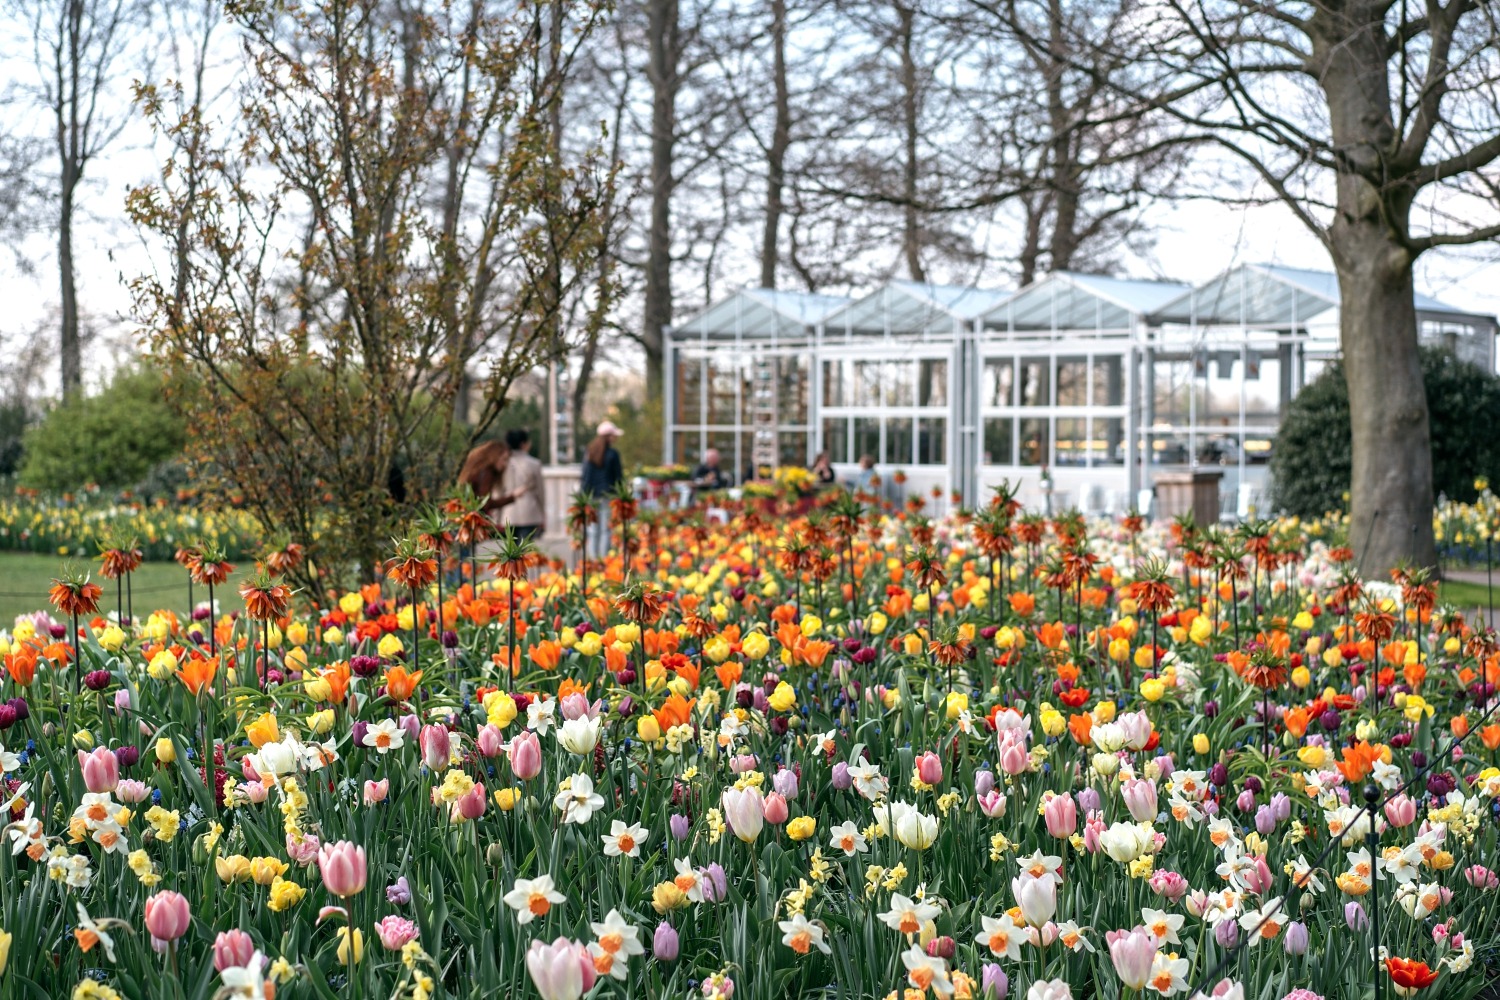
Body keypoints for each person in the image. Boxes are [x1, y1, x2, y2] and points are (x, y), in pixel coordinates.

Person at [580, 421, 624, 557]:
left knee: (593, 529)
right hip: (608, 496)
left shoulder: (590, 452)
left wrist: (583, 496)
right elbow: (618, 478)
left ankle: (593, 559)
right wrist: (621, 496)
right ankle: (604, 559)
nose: (615, 438)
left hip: (592, 496)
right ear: (608, 436)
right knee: (606, 529)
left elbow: (585, 476)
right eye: (613, 435)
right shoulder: (613, 454)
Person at [500, 428, 545, 540]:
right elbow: (541, 492)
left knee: (510, 552)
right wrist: (543, 514)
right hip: (530, 511)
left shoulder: (503, 463)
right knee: (525, 552)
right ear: (523, 444)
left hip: (508, 512)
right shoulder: (534, 464)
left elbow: (498, 490)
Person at [458, 441, 516, 523]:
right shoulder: (487, 472)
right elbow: (485, 504)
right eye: (504, 459)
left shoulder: (476, 470)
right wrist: (512, 497)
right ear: (495, 456)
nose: (505, 464)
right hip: (474, 519)